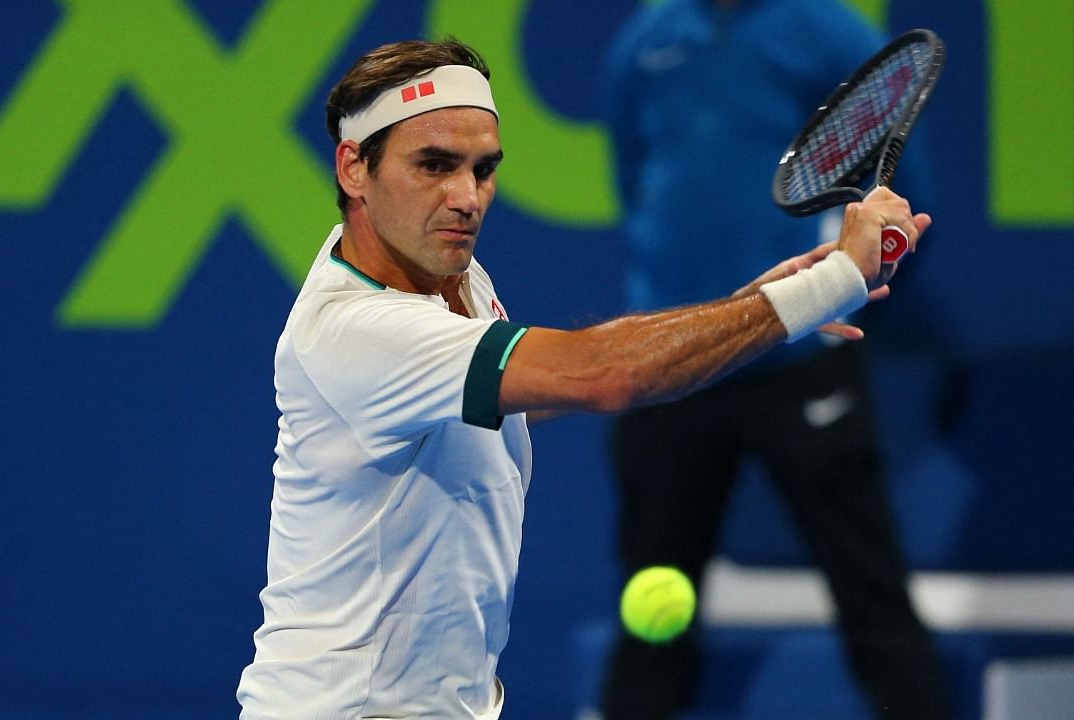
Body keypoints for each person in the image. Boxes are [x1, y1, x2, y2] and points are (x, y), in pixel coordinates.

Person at [235, 38, 928, 720]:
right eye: (434, 165)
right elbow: (604, 373)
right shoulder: (358, 329)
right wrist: (836, 279)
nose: (466, 197)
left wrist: (749, 309)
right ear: (354, 168)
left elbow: (517, 397)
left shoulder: (447, 275)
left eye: (482, 169)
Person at [598, 1, 950, 718]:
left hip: (802, 357)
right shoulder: (645, 42)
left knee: (870, 591)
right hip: (675, 363)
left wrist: (841, 289)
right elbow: (636, 184)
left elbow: (909, 200)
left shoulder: (829, 30)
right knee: (650, 604)